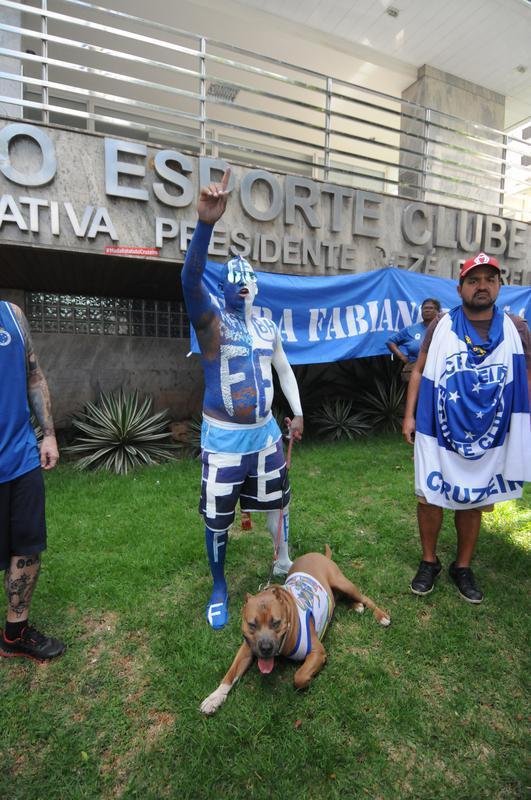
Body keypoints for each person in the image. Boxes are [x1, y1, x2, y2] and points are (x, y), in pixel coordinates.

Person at [181, 168, 303, 630]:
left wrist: (298, 411)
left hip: (267, 435)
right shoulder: (212, 323)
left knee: (278, 501)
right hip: (225, 439)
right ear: (225, 288)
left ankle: (282, 560)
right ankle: (219, 585)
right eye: (235, 279)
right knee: (217, 518)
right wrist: (206, 225)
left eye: (249, 278)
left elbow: (284, 368)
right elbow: (190, 282)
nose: (244, 284)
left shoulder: (267, 326)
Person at [402, 253, 531, 604]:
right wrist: (409, 416)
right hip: (438, 426)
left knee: (474, 497)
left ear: (499, 286)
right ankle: (429, 561)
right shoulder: (440, 325)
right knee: (429, 495)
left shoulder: (517, 329)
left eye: (490, 279)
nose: (482, 286)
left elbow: (527, 374)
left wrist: (525, 423)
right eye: (474, 280)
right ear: (460, 288)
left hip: (492, 429)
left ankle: (463, 566)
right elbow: (418, 370)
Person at [0, 300, 65, 660]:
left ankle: (15, 633)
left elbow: (33, 375)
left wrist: (49, 434)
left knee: (27, 546)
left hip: (20, 455)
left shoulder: (12, 315)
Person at [386, 298, 441, 382]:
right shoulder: (411, 329)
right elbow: (390, 341)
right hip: (413, 370)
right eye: (425, 308)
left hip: (438, 371)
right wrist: (402, 356)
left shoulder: (444, 328)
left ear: (438, 311)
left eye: (430, 308)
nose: (427, 310)